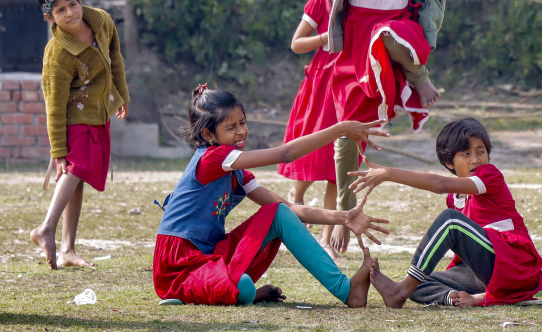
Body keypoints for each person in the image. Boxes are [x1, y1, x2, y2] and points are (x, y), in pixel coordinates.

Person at [291, 0, 514, 254]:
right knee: (347, 133)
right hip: (355, 49)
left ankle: (419, 77)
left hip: (400, 33)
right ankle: (346, 210)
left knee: (386, 34)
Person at [152, 85, 390, 306]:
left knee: (278, 213)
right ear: (208, 135)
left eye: (242, 122)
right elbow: (286, 154)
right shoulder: (213, 158)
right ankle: (226, 290)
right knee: (244, 287)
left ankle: (346, 290)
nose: (241, 131)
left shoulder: (236, 171)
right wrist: (340, 129)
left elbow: (288, 210)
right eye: (231, 127)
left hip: (210, 254)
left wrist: (345, 217)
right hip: (179, 265)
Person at [349, 118, 542, 307]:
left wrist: (389, 173)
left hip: (511, 264)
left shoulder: (490, 176)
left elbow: (440, 184)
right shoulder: (454, 198)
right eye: (466, 154)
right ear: (450, 163)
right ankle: (455, 297)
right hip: (481, 273)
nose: (476, 159)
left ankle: (399, 291)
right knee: (420, 282)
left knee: (450, 221)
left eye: (480, 151)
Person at [30, 0, 131, 269]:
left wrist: (122, 95)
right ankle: (46, 228)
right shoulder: (57, 54)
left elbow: (115, 57)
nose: (70, 13)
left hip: (98, 112)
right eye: (60, 10)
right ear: (49, 17)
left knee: (78, 179)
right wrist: (58, 152)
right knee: (76, 167)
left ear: (80, 1)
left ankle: (67, 250)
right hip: (73, 119)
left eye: (72, 4)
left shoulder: (102, 21)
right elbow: (53, 105)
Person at [277, 0, 349, 259]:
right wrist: (325, 38)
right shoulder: (321, 2)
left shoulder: (367, 4)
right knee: (314, 151)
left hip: (353, 81)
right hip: (323, 83)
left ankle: (326, 239)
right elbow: (296, 43)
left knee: (339, 164)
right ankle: (297, 194)